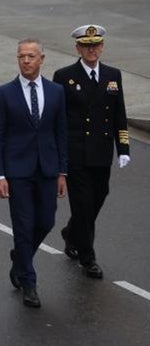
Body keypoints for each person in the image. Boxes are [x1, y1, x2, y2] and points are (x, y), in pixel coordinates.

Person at [0, 38, 68, 308]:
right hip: (17, 172)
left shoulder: (56, 92)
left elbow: (61, 134)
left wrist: (62, 172)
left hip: (47, 169)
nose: (26, 61)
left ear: (41, 59)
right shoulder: (4, 93)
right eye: (22, 56)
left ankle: (20, 259)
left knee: (45, 222)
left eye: (31, 56)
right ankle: (29, 282)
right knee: (23, 226)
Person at [53, 25, 130, 279]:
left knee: (99, 196)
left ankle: (72, 232)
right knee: (84, 205)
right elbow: (59, 119)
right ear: (78, 48)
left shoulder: (112, 75)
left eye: (96, 45)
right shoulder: (65, 76)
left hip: (101, 152)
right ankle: (88, 258)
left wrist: (124, 148)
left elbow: (119, 114)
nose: (92, 50)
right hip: (76, 153)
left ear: (102, 47)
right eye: (87, 46)